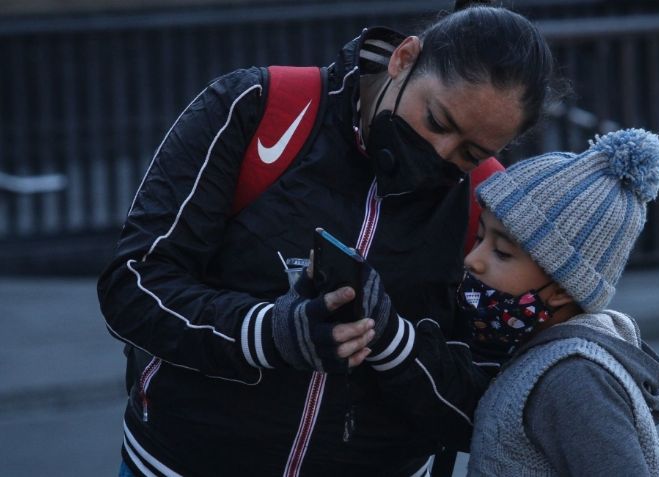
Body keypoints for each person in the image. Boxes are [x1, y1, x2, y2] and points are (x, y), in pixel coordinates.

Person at [97, 1, 554, 476]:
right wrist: (267, 334)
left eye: (471, 151)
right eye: (438, 122)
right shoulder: (257, 106)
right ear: (404, 58)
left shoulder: (489, 200)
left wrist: (397, 344)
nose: (440, 152)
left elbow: (495, 401)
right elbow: (132, 288)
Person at [457, 128, 659, 475]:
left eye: (501, 252)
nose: (473, 260)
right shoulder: (539, 353)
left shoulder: (572, 377)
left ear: (561, 288)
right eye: (480, 237)